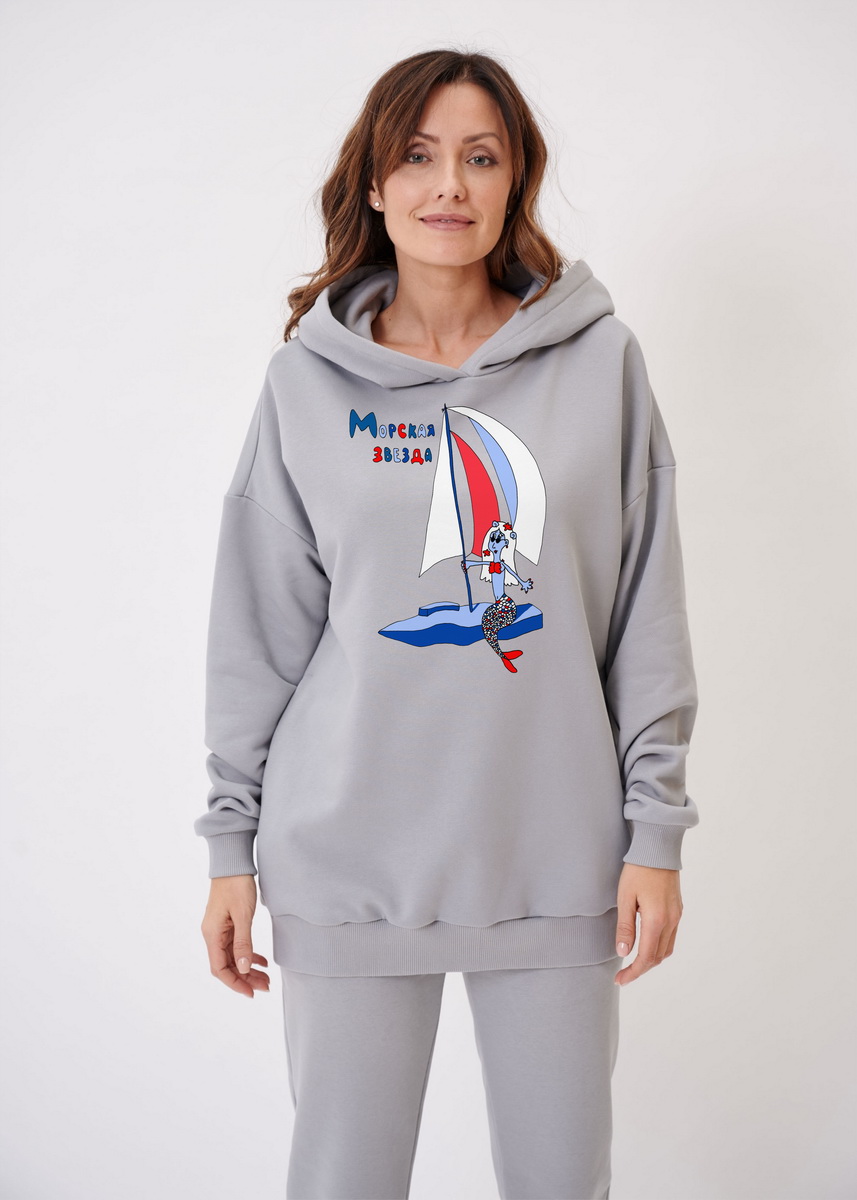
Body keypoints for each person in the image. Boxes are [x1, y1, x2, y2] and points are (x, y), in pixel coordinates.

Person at [196, 46, 700, 1200]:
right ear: (374, 183)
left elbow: (643, 614)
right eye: (418, 157)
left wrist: (655, 830)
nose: (448, 186)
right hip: (344, 858)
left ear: (514, 179)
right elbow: (257, 635)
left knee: (560, 1181)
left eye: (480, 157)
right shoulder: (304, 387)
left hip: (555, 853)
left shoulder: (599, 364)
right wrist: (229, 847)